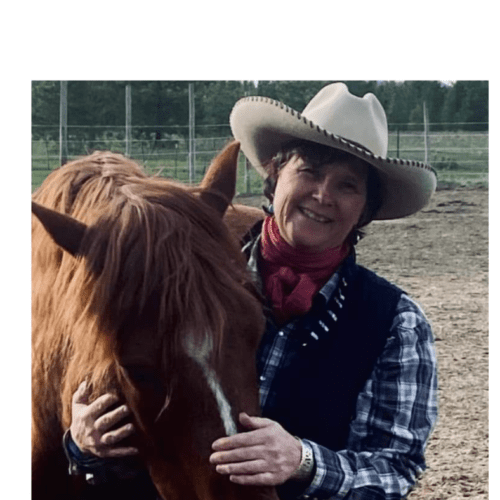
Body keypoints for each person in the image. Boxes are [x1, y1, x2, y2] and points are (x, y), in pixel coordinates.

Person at [65, 82, 438, 500]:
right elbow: (119, 401)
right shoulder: (177, 279)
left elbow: (396, 467)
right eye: (309, 170)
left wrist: (304, 462)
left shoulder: (395, 323)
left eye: (348, 185)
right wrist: (83, 443)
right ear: (276, 173)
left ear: (365, 209)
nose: (322, 195)